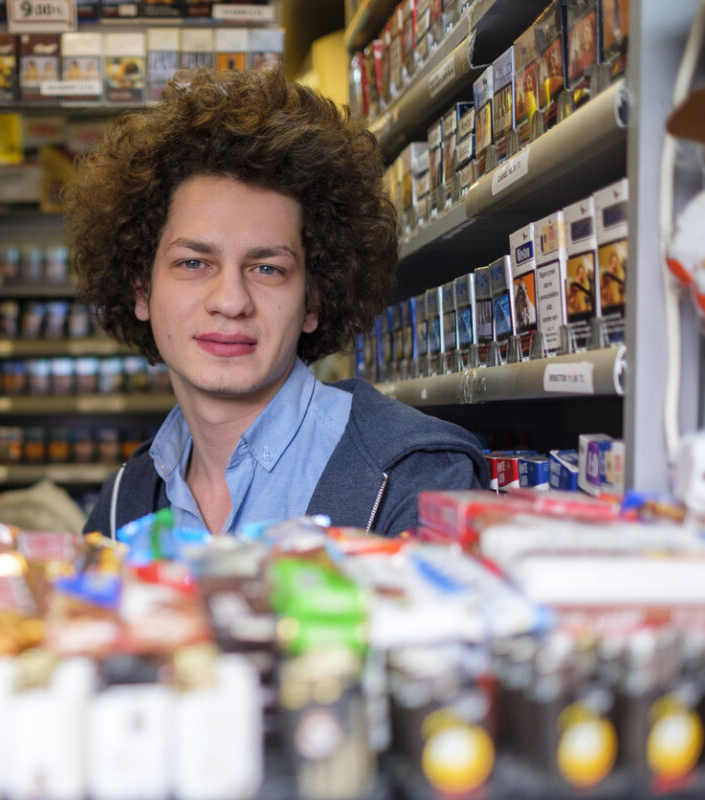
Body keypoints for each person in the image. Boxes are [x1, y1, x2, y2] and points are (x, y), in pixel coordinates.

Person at [67, 68, 488, 537]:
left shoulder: (417, 480)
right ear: (141, 289)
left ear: (313, 299)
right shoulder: (124, 500)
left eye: (267, 269)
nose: (230, 301)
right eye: (193, 263)